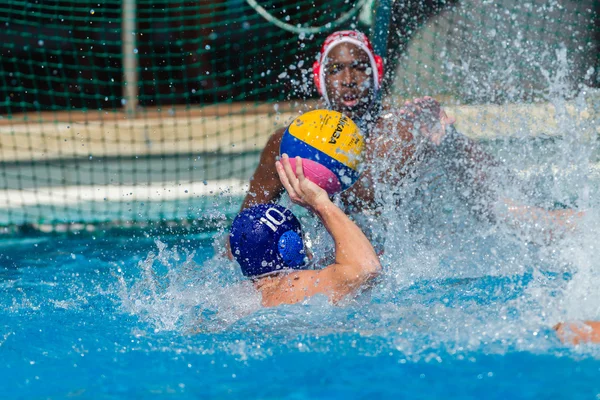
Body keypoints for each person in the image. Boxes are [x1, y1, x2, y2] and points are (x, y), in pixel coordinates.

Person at [228, 29, 581, 256]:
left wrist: (451, 139)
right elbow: (242, 231)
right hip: (337, 267)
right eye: (336, 70)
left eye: (359, 68)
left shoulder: (405, 134)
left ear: (376, 73)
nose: (349, 80)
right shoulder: (289, 145)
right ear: (320, 77)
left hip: (404, 267)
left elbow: (490, 195)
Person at [229, 154, 381, 307]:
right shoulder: (296, 287)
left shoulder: (237, 298)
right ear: (289, 246)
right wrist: (320, 203)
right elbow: (366, 268)